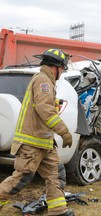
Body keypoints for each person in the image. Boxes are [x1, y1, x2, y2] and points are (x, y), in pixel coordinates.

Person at [0, 48, 74, 216]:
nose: (62, 73)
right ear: (55, 67)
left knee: (56, 175)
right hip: (32, 143)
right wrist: (64, 132)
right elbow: (46, 110)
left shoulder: (46, 80)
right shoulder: (43, 81)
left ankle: (58, 211)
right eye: (62, 69)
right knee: (21, 179)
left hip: (43, 142)